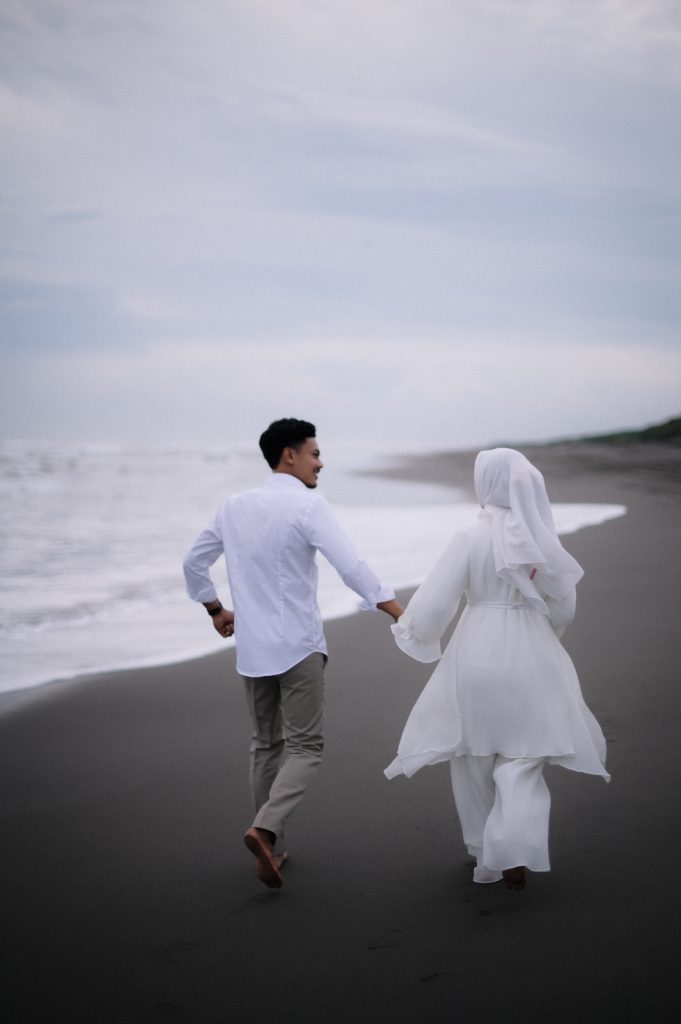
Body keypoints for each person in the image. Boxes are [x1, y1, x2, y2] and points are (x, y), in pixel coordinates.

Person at [183, 418, 403, 888]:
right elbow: (351, 565)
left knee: (266, 745)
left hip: (252, 648)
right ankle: (264, 830)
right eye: (315, 454)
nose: (320, 463)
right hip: (298, 645)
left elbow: (193, 563)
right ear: (290, 455)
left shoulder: (233, 507)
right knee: (305, 747)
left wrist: (215, 610)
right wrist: (396, 611)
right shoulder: (308, 505)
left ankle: (273, 847)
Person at [384, 447, 609, 890]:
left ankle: (485, 853)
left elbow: (436, 604)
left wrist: (413, 629)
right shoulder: (540, 539)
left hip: (475, 652)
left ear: (484, 484)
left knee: (472, 753)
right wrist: (541, 631)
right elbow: (564, 607)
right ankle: (514, 843)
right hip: (530, 651)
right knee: (524, 754)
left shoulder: (470, 537)